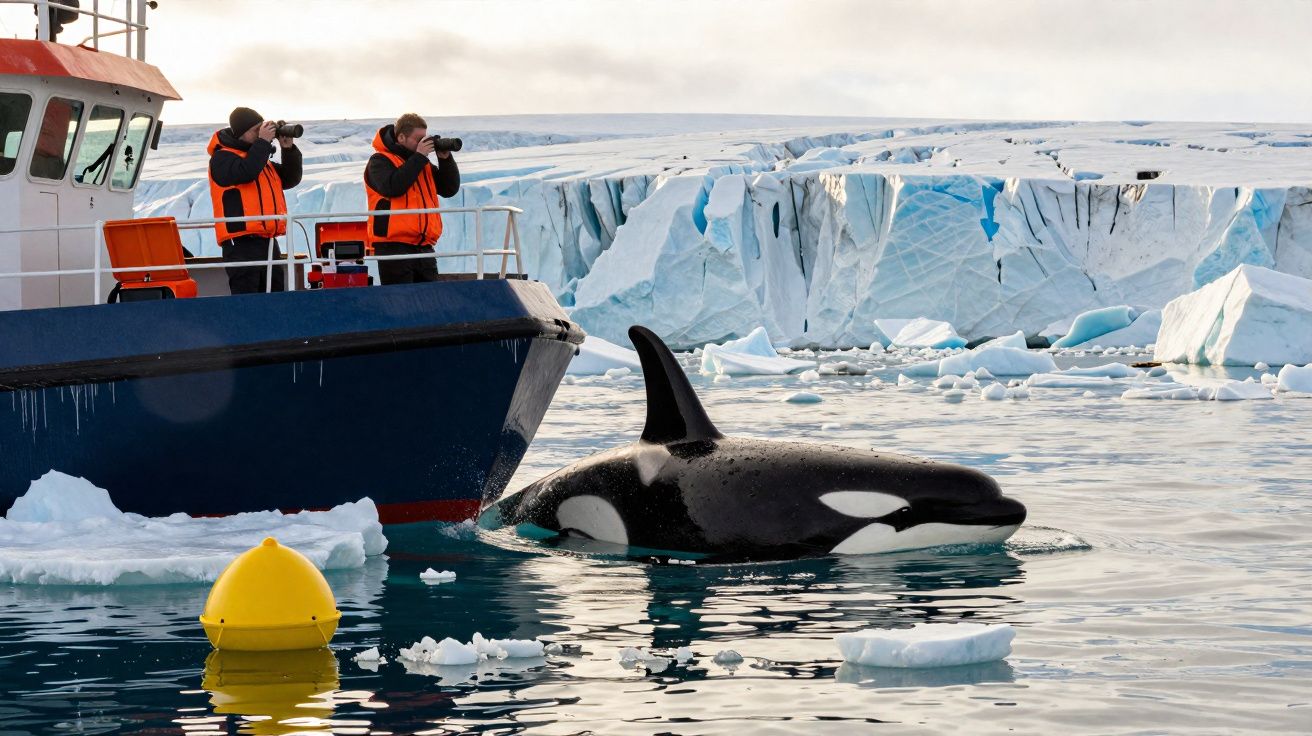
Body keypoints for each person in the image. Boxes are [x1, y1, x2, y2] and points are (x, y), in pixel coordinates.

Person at [207, 107, 302, 295]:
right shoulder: (222, 158)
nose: (261, 133)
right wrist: (263, 142)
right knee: (247, 299)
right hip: (241, 243)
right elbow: (246, 172)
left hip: (267, 241)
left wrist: (288, 149)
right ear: (241, 133)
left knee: (274, 295)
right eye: (256, 130)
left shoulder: (260, 160)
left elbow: (290, 178)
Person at [364, 113, 460, 284]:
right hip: (393, 247)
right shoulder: (379, 161)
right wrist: (419, 157)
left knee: (429, 301)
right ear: (401, 137)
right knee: (401, 302)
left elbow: (448, 189)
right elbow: (393, 187)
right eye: (418, 139)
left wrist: (445, 159)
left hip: (423, 246)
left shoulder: (421, 164)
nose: (423, 143)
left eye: (425, 139)